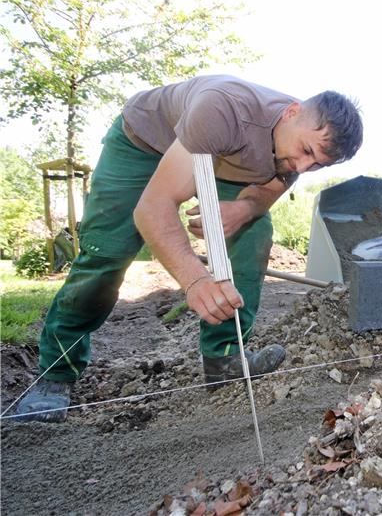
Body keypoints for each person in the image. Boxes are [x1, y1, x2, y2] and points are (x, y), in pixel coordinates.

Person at [16, 75, 363, 422]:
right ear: (291, 113)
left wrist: (241, 211)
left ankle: (225, 357)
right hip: (144, 146)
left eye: (318, 164)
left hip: (225, 161)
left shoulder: (295, 148)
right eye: (306, 152)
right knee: (107, 253)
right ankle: (56, 373)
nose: (303, 167)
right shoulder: (225, 108)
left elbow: (264, 195)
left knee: (253, 236)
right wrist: (196, 281)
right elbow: (154, 208)